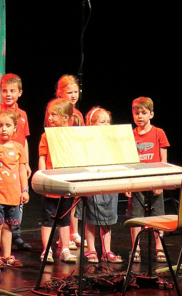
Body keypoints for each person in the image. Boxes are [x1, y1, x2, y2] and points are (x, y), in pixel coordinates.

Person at [0, 73, 31, 251]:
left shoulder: (22, 115)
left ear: (19, 93)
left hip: (16, 163)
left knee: (10, 221)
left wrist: (26, 163)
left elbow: (25, 139)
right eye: (4, 91)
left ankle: (9, 251)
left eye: (12, 91)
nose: (8, 94)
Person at [77, 107, 122, 264]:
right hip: (93, 183)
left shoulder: (113, 142)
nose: (106, 125)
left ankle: (106, 250)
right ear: (92, 124)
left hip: (109, 183)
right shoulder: (86, 143)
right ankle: (91, 249)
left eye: (108, 122)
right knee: (91, 218)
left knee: (108, 219)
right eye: (102, 122)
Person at [128, 97, 170, 263]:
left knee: (158, 215)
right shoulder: (131, 135)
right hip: (137, 181)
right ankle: (135, 247)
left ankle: (159, 247)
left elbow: (163, 160)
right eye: (136, 113)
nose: (140, 116)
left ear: (151, 114)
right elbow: (129, 162)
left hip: (155, 181)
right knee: (136, 215)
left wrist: (162, 182)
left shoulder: (158, 133)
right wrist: (128, 184)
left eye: (143, 113)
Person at [0, 110, 30, 268]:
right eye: (0, 125)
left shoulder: (19, 148)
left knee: (8, 226)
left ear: (15, 129)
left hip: (13, 195)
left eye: (7, 125)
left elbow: (21, 171)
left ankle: (6, 255)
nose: (3, 129)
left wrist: (24, 190)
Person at [38, 98, 77, 264]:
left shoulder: (72, 136)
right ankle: (46, 250)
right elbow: (42, 157)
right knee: (48, 219)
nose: (50, 118)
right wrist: (42, 176)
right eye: (49, 115)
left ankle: (65, 249)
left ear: (66, 118)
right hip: (51, 185)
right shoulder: (46, 136)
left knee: (64, 219)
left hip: (66, 183)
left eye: (54, 115)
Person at [55, 74, 84, 250]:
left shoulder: (78, 113)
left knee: (74, 198)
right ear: (60, 93)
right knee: (63, 200)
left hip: (75, 158)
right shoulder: (56, 110)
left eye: (76, 92)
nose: (73, 95)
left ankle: (74, 232)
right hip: (61, 158)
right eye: (69, 92)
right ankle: (62, 237)